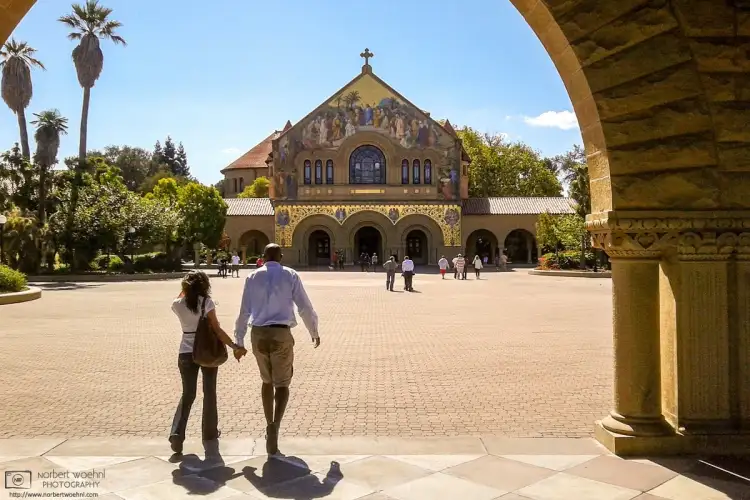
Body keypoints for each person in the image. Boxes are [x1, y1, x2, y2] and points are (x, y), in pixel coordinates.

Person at [234, 243, 320, 455]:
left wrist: (239, 339)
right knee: (282, 384)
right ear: (281, 256)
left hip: (258, 334)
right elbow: (304, 307)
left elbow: (244, 310)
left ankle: (268, 421)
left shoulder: (252, 277)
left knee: (266, 381)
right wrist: (313, 331)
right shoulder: (290, 275)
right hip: (281, 333)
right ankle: (275, 427)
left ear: (263, 257)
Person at [169, 271, 246, 454]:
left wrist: (185, 290)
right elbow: (217, 330)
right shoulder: (207, 303)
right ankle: (209, 433)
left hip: (186, 352)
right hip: (207, 351)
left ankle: (177, 434)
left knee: (188, 394)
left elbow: (179, 296)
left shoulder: (177, 304)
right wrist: (234, 346)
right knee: (209, 392)